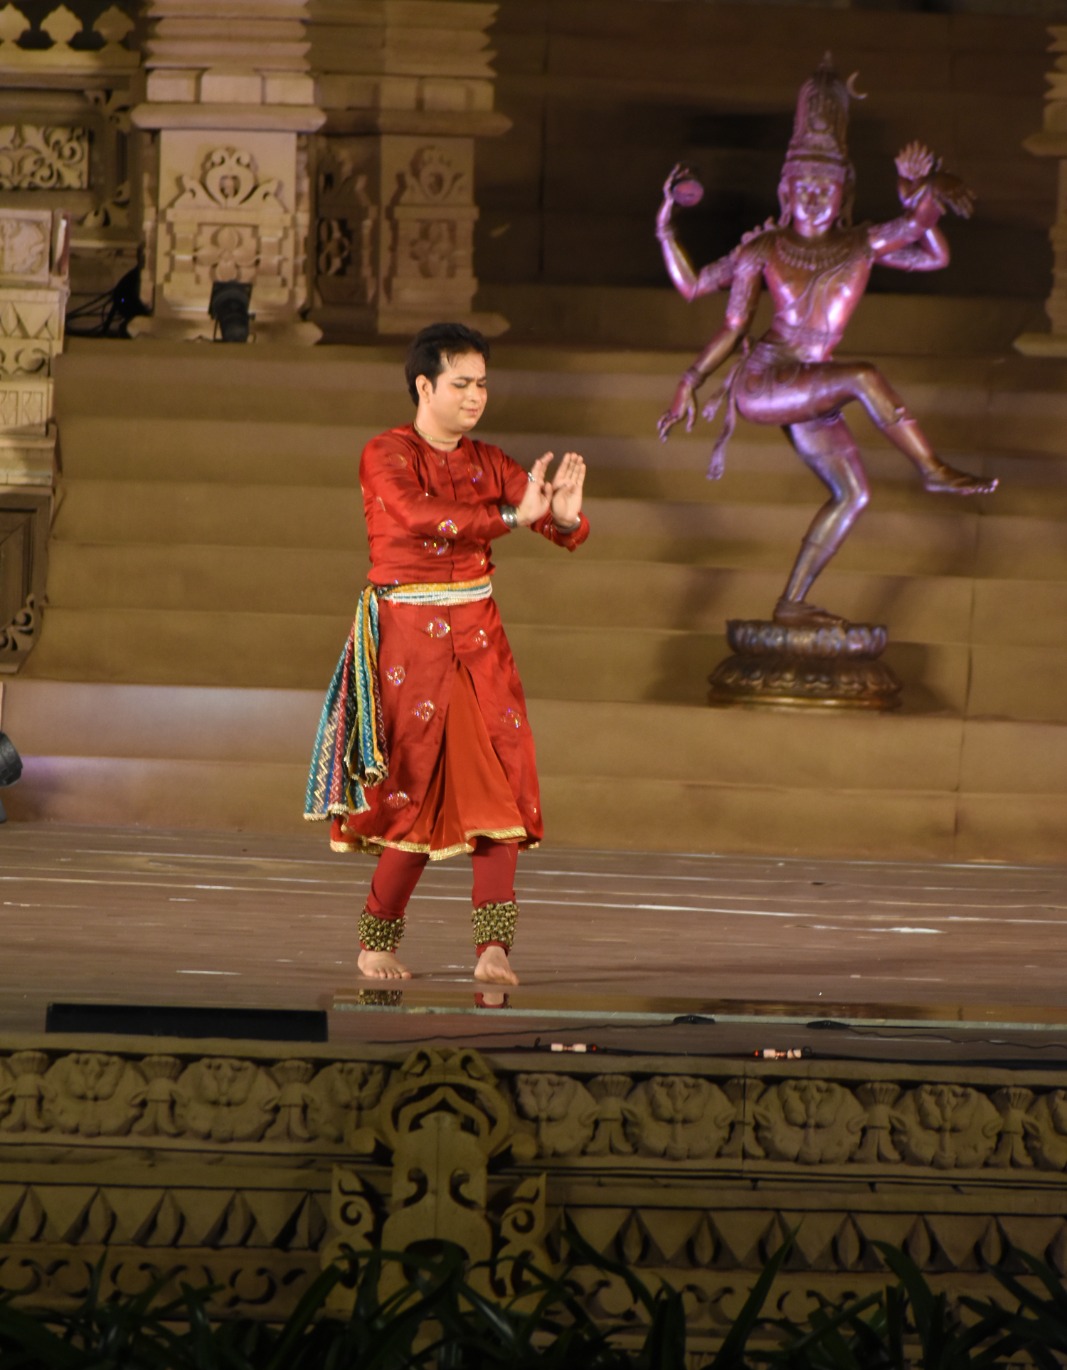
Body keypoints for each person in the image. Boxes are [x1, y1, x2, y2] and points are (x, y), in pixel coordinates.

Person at [656, 56, 997, 627]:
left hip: (811, 384)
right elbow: (715, 308)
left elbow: (927, 244)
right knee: (862, 376)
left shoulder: (860, 244)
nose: (814, 195)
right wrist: (666, 230)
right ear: (786, 190)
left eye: (826, 186)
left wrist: (921, 190)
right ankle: (931, 468)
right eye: (804, 186)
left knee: (853, 495)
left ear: (844, 192)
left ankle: (791, 602)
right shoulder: (764, 250)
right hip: (767, 380)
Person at [305, 323, 588, 986]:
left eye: (482, 384)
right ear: (424, 386)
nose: (475, 396)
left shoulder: (488, 460)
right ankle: (377, 937)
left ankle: (493, 949)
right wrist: (513, 518)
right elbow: (418, 515)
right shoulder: (386, 454)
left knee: (499, 785)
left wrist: (563, 517)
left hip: (480, 641)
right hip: (410, 642)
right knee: (413, 788)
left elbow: (543, 516)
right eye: (461, 384)